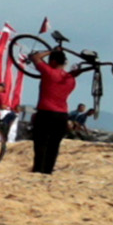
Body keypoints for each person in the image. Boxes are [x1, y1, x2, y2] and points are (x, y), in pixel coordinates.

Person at [28, 43, 84, 175]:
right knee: (54, 145)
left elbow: (35, 57)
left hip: (45, 112)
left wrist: (50, 50)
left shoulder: (49, 72)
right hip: (62, 114)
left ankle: (38, 169)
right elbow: (71, 74)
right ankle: (48, 171)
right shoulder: (70, 80)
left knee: (40, 143)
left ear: (52, 61)